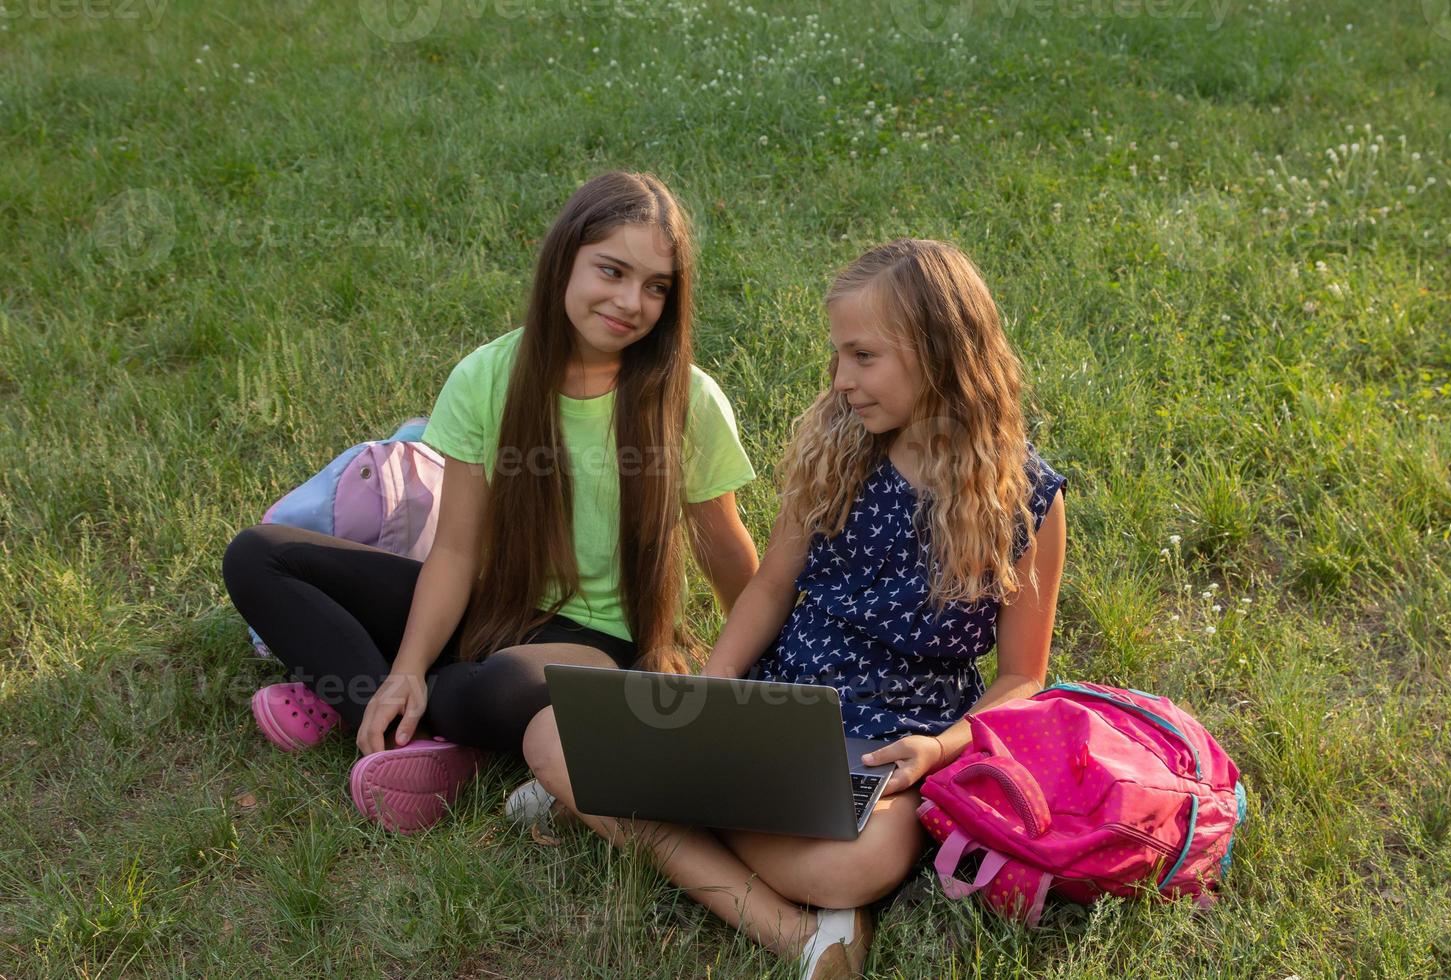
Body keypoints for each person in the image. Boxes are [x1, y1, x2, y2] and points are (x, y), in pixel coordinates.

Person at [520, 238, 1068, 977]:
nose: (841, 380)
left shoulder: (1025, 495)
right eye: (837, 356)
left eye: (863, 357)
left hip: (894, 741)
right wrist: (712, 688)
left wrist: (937, 752)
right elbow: (773, 587)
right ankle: (789, 930)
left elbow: (1021, 680)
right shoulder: (838, 444)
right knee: (551, 734)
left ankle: (632, 813)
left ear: (939, 353)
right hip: (776, 705)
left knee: (858, 864)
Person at [222, 172, 760, 833]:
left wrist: (769, 670)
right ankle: (405, 717)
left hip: (600, 647)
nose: (630, 301)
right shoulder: (486, 376)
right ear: (564, 258)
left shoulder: (689, 400)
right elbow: (453, 549)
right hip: (492, 609)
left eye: (656, 287)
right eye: (612, 271)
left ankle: (371, 699)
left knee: (492, 685)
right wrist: (410, 668)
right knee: (259, 556)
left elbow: (729, 554)